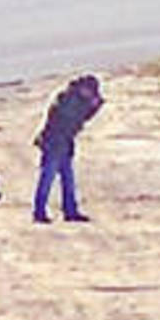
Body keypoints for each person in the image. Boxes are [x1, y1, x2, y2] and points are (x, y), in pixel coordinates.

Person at [32, 74, 105, 224]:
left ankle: (69, 211)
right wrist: (91, 106)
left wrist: (94, 107)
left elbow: (83, 118)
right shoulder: (67, 99)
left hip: (64, 142)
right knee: (47, 178)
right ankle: (40, 212)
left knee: (68, 179)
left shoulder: (75, 99)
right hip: (54, 142)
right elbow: (68, 118)